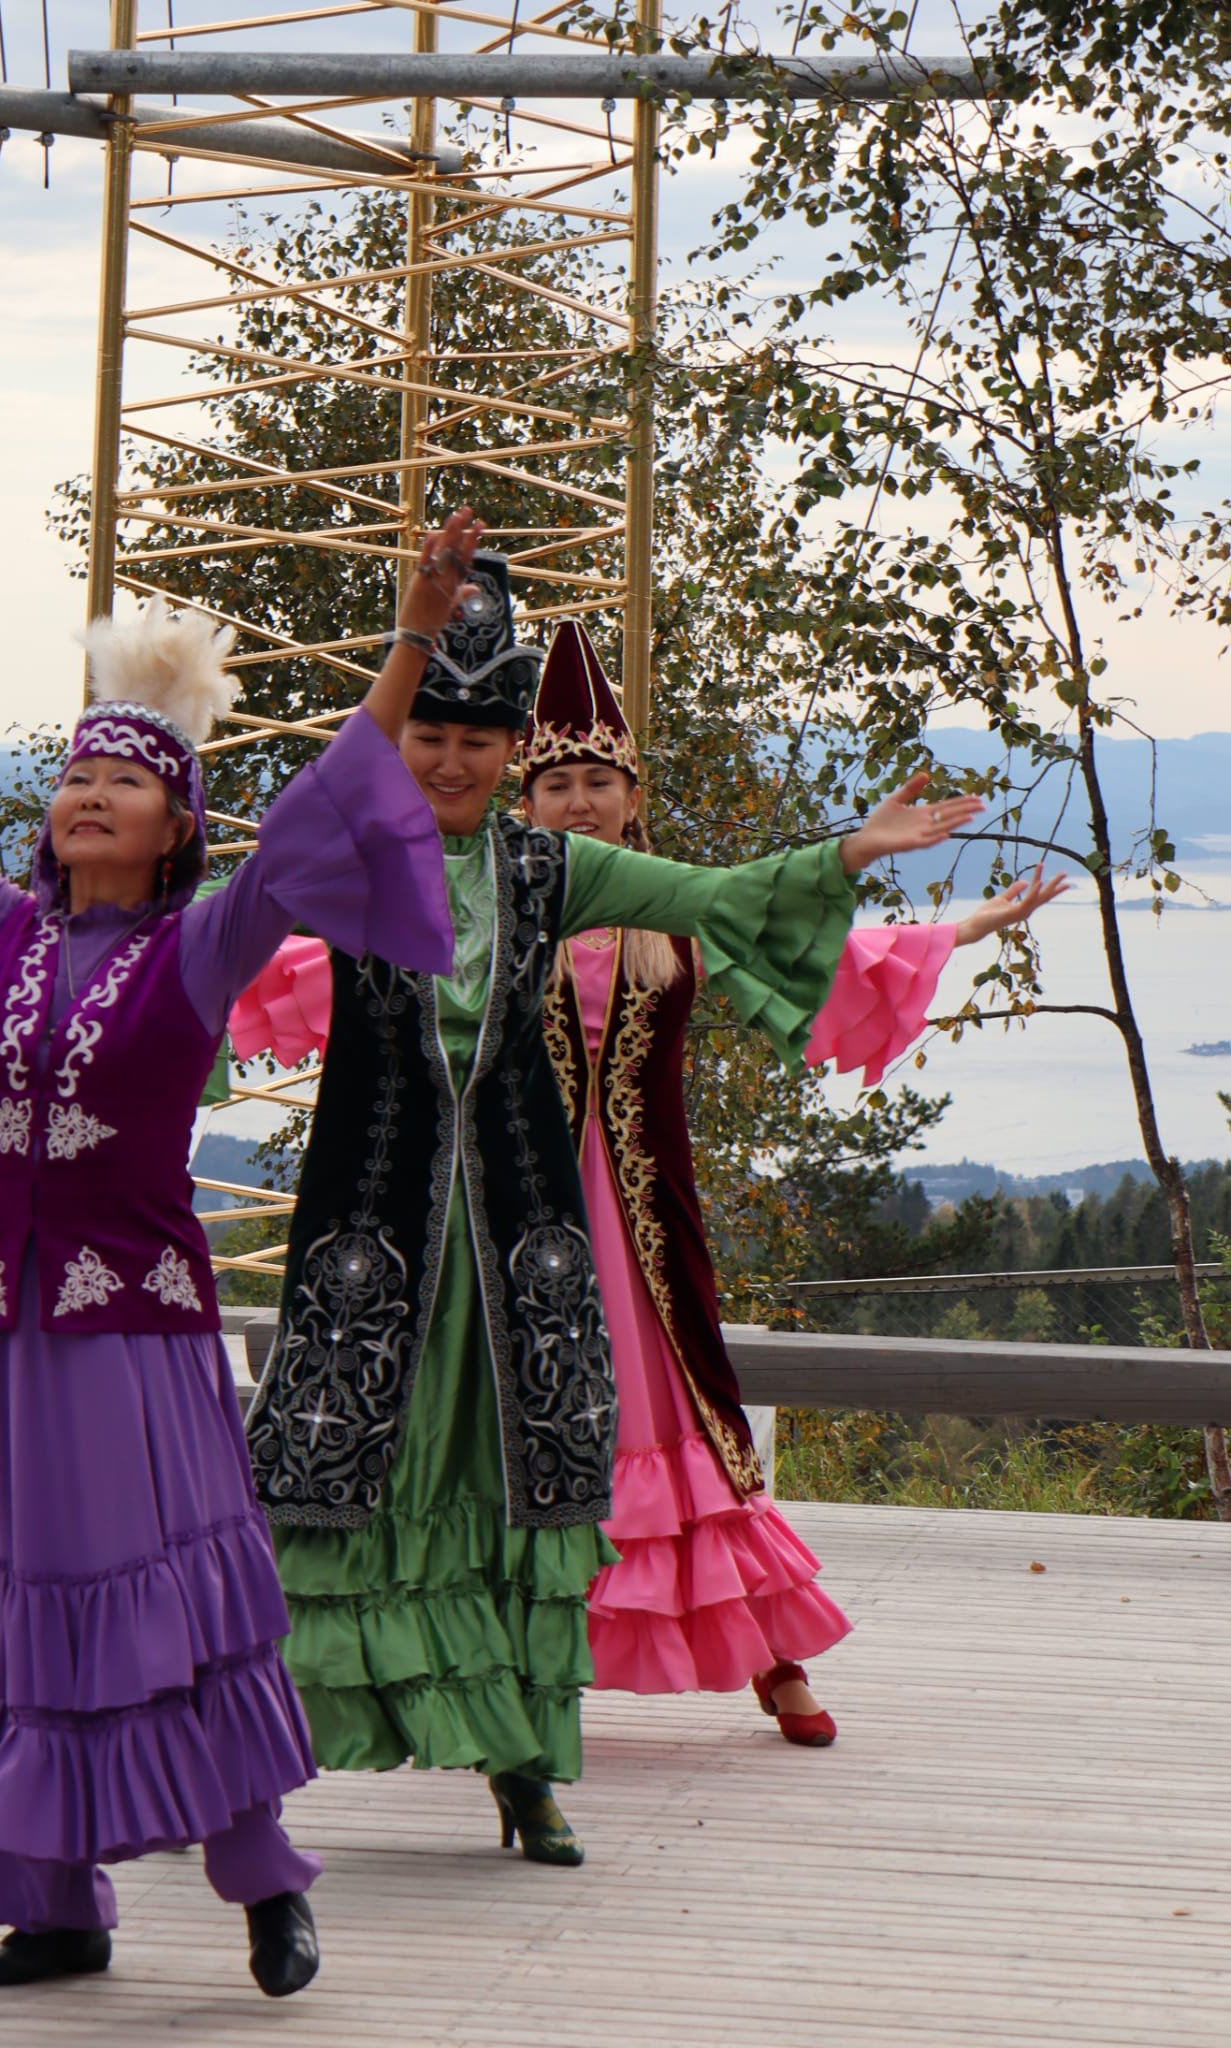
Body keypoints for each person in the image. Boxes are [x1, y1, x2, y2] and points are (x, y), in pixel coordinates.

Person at [0, 499, 483, 1995]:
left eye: (117, 782)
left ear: (174, 826)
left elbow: (332, 799)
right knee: (15, 1597)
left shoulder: (199, 947)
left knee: (156, 1598)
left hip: (126, 1338)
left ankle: (262, 1880)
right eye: (71, 774)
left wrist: (407, 639)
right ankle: (50, 1904)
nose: (83, 794)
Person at [233, 556, 983, 1866]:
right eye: (430, 738)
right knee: (327, 1488)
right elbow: (264, 879)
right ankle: (240, 1763)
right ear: (393, 743)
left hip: (529, 1244)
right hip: (378, 1243)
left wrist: (849, 850)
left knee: (530, 1502)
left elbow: (710, 903)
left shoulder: (547, 873)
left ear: (511, 754)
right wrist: (405, 639)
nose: (454, 762)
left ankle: (522, 1768)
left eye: (480, 742)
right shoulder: (344, 862)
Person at [518, 620, 1068, 1743]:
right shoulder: (488, 914)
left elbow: (832, 957)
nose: (575, 802)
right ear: (523, 804)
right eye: (555, 784)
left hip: (640, 1220)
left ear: (630, 797)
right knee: (524, 1421)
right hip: (519, 1220)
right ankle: (527, 1663)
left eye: (596, 781)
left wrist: (965, 922)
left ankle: (771, 1652)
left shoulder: (678, 915)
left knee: (686, 1415)